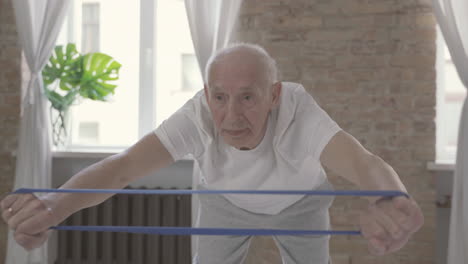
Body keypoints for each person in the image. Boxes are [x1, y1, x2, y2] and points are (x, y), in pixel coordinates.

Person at [1, 43, 423, 264]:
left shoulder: (299, 110)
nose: (232, 115)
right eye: (219, 97)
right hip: (221, 201)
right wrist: (54, 207)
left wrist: (388, 199)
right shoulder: (196, 117)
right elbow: (123, 167)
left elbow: (364, 162)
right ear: (206, 94)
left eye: (248, 98)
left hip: (301, 202)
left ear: (274, 95)